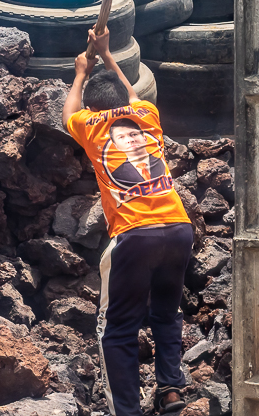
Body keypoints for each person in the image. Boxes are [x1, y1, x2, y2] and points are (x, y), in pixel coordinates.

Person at [62, 26, 193, 416]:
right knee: (166, 312)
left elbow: (68, 111)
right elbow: (133, 93)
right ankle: (170, 390)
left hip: (135, 236)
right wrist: (106, 56)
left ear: (95, 109)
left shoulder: (91, 126)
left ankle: (127, 412)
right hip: (179, 229)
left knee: (116, 330)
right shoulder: (147, 116)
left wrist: (80, 73)